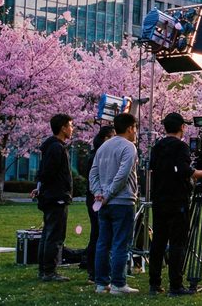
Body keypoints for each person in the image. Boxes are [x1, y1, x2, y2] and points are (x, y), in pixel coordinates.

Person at [148, 113, 202, 296]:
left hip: (159, 200)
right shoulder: (181, 146)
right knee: (177, 243)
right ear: (181, 127)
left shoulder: (157, 146)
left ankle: (155, 283)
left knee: (158, 242)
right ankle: (176, 285)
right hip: (177, 201)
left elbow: (154, 168)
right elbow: (184, 170)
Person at [90, 113, 140, 295]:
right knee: (120, 243)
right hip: (122, 201)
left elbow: (93, 173)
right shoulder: (129, 147)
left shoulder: (103, 147)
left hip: (103, 202)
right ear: (129, 128)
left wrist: (98, 193)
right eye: (135, 128)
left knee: (103, 243)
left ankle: (101, 283)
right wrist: (109, 194)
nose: (136, 132)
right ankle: (119, 284)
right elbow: (123, 174)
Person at [33, 114, 75, 282]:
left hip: (51, 195)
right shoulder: (57, 148)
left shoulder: (51, 147)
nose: (72, 129)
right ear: (63, 128)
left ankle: (44, 269)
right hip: (56, 196)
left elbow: (44, 173)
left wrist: (40, 188)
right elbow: (49, 172)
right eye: (70, 125)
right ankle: (49, 271)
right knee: (55, 235)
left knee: (48, 234)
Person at [80, 126, 115, 283]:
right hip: (97, 198)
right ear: (105, 139)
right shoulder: (98, 156)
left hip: (96, 197)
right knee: (99, 234)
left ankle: (95, 270)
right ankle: (94, 271)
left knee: (98, 233)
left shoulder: (99, 155)